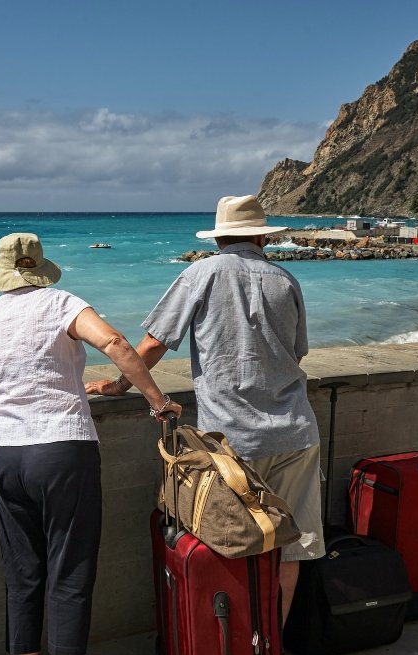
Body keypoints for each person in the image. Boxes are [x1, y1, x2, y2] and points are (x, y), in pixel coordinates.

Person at [86, 195, 323, 626]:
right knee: (295, 546)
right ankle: (272, 646)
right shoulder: (285, 279)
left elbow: (155, 342)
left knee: (232, 542)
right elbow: (297, 354)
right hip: (296, 432)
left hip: (232, 441)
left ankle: (236, 650)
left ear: (218, 238)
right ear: (263, 237)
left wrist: (121, 384)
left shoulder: (201, 273)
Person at [0, 232, 181, 655]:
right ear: (40, 268)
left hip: (7, 452)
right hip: (63, 448)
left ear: (1, 274)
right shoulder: (62, 304)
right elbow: (116, 342)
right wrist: (158, 402)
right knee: (70, 560)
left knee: (21, 566)